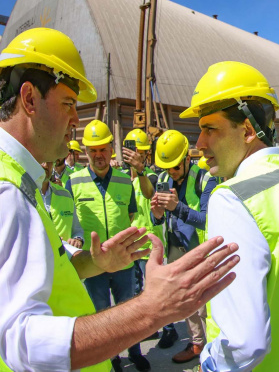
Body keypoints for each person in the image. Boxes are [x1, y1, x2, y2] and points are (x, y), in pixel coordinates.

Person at [0, 27, 239, 372]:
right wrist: (152, 308)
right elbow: (25, 344)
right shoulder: (3, 191)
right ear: (29, 98)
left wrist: (94, 263)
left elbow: (37, 273)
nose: (75, 121)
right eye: (68, 104)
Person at [183, 61, 279, 372]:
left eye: (209, 129)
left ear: (248, 130)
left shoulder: (232, 198)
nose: (199, 144)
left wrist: (211, 364)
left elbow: (245, 342)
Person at [68, 119, 150, 372]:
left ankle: (134, 352)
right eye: (93, 150)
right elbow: (70, 222)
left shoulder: (125, 181)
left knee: (128, 308)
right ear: (85, 152)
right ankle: (111, 358)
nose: (98, 155)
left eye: (102, 149)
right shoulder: (74, 182)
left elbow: (131, 214)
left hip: (123, 259)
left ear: (111, 149)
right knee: (100, 312)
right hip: (92, 263)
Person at [150, 129, 217, 364]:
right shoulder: (162, 180)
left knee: (206, 304)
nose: (171, 172)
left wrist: (177, 207)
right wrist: (157, 214)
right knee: (187, 302)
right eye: (166, 167)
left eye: (176, 167)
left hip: (201, 251)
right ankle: (197, 344)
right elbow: (159, 219)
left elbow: (206, 219)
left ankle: (214, 349)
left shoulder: (206, 179)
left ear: (187, 158)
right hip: (176, 249)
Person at [122, 129, 163, 329]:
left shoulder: (152, 177)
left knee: (155, 289)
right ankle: (143, 326)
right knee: (136, 291)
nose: (133, 155)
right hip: (130, 244)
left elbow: (149, 194)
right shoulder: (121, 178)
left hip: (148, 242)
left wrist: (140, 171)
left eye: (138, 152)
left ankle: (168, 329)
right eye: (131, 151)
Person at [41, 161, 84, 247]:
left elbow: (77, 229)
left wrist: (77, 240)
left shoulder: (65, 195)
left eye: (49, 161)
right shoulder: (23, 193)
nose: (45, 165)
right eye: (41, 160)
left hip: (65, 258)